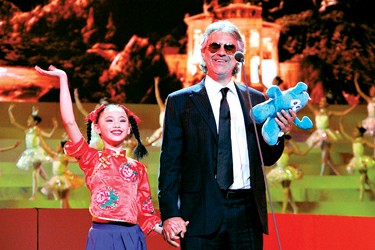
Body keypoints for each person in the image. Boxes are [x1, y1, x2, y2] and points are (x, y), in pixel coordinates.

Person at [158, 20, 296, 250]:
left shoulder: (257, 100)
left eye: (229, 48)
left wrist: (279, 132)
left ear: (239, 54)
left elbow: (267, 158)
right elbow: (170, 163)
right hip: (198, 215)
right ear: (203, 52)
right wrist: (170, 214)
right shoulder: (180, 102)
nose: (222, 52)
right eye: (215, 47)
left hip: (247, 216)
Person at [35, 65, 162, 250]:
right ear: (97, 128)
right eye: (109, 120)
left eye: (122, 121)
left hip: (133, 236)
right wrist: (63, 79)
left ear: (129, 129)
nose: (116, 125)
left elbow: (145, 211)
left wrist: (165, 230)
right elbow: (69, 122)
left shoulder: (138, 168)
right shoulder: (91, 158)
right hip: (102, 235)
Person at [8, 104, 58, 200]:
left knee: (35, 172)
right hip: (29, 153)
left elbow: (48, 135)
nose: (27, 121)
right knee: (41, 174)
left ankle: (34, 195)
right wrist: (10, 111)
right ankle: (52, 188)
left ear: (34, 122)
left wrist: (55, 127)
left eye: (29, 119)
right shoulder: (27, 130)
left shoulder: (37, 130)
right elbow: (13, 122)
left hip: (36, 153)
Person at [306, 95, 358, 175]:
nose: (321, 102)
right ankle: (337, 173)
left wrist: (353, 107)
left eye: (323, 101)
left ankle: (322, 175)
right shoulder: (316, 111)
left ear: (326, 104)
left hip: (326, 134)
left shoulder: (329, 113)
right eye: (320, 101)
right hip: (318, 134)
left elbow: (343, 113)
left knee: (325, 155)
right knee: (327, 157)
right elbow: (308, 103)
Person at [266, 134, 317, 214]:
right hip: (279, 172)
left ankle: (283, 210)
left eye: (286, 140)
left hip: (287, 172)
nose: (285, 141)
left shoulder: (289, 150)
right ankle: (295, 207)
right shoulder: (276, 148)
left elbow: (302, 153)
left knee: (285, 191)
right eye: (284, 139)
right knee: (287, 191)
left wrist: (312, 146)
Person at [339, 117, 375, 201]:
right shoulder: (353, 141)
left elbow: (373, 146)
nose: (353, 133)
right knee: (366, 181)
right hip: (356, 161)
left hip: (362, 161)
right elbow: (344, 134)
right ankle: (366, 196)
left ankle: (361, 199)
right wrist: (341, 126)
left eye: (355, 131)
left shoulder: (362, 141)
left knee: (362, 180)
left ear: (360, 133)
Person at [41, 140, 84, 208]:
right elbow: (45, 148)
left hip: (63, 179)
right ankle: (68, 214)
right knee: (62, 199)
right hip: (56, 179)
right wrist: (40, 137)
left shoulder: (65, 157)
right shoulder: (54, 155)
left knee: (63, 199)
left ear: (62, 148)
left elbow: (76, 160)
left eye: (58, 145)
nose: (56, 147)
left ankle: (64, 214)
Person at [354, 72, 375, 156]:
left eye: (373, 89)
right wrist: (355, 81)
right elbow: (359, 91)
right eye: (371, 89)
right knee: (359, 131)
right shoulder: (368, 100)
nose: (371, 91)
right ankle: (358, 150)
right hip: (370, 122)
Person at [145, 76, 165, 147]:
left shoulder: (174, 112)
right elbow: (158, 97)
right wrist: (156, 84)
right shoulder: (163, 109)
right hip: (162, 131)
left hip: (167, 133)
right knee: (153, 142)